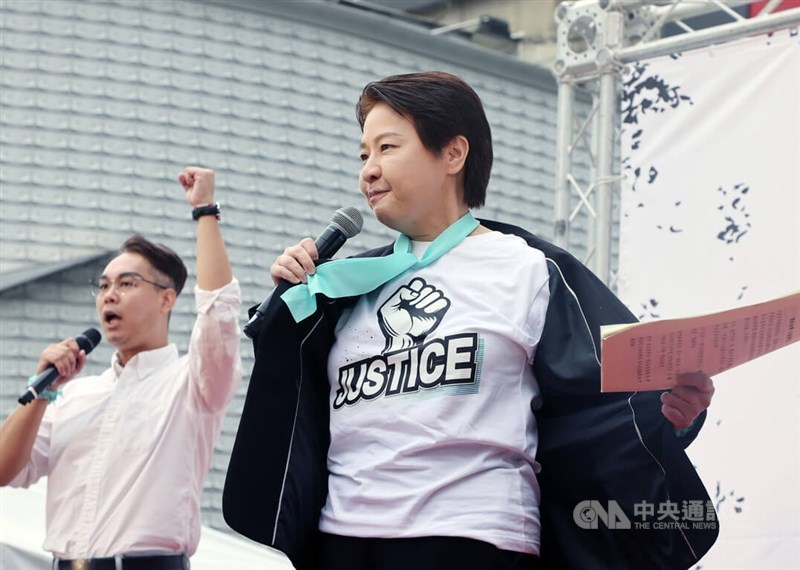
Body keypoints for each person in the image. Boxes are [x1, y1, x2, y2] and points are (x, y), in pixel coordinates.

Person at [222, 72, 718, 569]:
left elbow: (612, 401)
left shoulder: (529, 269)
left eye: (387, 148)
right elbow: (291, 399)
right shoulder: (346, 283)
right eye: (363, 155)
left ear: (453, 155)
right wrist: (293, 307)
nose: (368, 171)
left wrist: (668, 414)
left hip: (473, 539)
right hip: (343, 541)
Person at [0, 167, 242, 569]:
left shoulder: (193, 383)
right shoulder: (73, 395)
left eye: (127, 284)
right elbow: (4, 469)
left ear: (167, 300)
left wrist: (205, 211)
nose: (109, 295)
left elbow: (218, 309)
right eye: (104, 285)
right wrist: (42, 393)